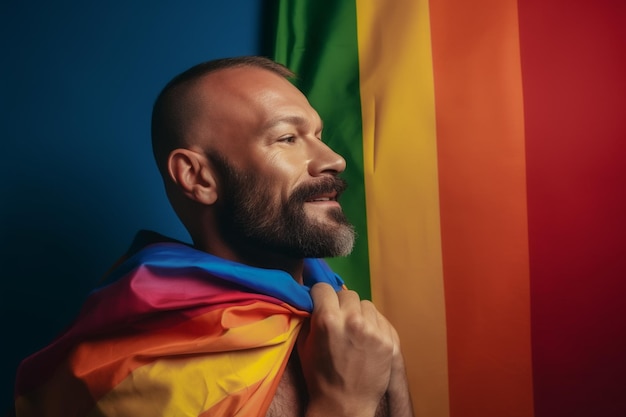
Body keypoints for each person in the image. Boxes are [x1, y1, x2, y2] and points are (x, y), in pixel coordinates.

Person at [14, 56, 414, 417]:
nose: (333, 160)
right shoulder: (140, 376)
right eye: (287, 139)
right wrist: (345, 405)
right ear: (198, 177)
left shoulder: (356, 326)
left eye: (318, 134)